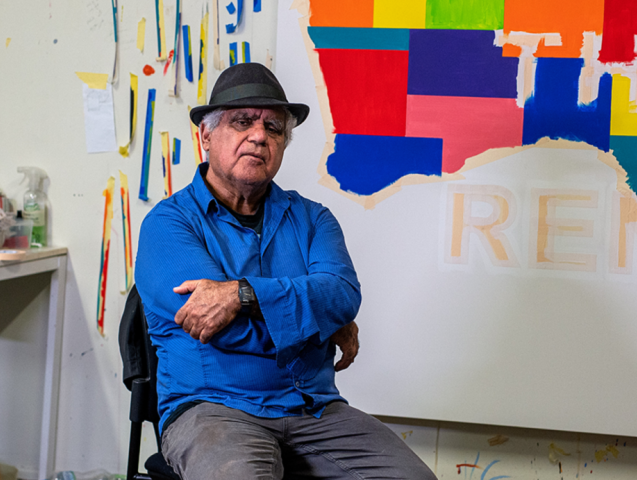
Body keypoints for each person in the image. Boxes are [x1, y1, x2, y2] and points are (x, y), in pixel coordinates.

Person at [135, 63, 437, 480]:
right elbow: (221, 328)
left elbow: (343, 294)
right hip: (214, 409)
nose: (259, 135)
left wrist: (242, 296)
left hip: (313, 407)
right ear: (205, 136)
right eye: (242, 122)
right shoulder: (168, 225)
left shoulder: (314, 219)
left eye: (273, 128)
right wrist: (318, 323)